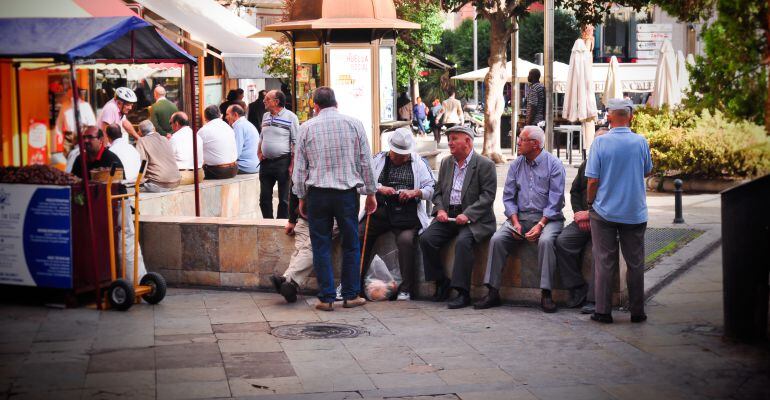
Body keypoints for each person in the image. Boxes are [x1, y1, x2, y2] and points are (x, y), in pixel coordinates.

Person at [292, 87, 376, 311]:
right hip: (346, 194)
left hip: (318, 195)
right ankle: (350, 295)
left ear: (315, 106)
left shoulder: (306, 128)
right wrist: (371, 193)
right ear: (336, 103)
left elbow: (300, 169)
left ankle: (326, 297)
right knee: (351, 244)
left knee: (321, 245)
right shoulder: (354, 124)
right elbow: (365, 161)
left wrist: (300, 196)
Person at [474, 126, 565, 312]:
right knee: (497, 239)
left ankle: (546, 293)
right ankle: (492, 291)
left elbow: (556, 201)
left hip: (548, 218)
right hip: (520, 217)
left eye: (522, 139)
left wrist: (540, 225)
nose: (518, 142)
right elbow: (508, 197)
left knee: (546, 241)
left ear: (535, 144)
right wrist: (515, 223)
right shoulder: (516, 164)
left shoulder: (554, 164)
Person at [586, 98, 653, 324]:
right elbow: (646, 171)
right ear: (631, 117)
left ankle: (603, 312)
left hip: (604, 211)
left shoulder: (600, 143)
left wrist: (589, 202)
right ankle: (637, 311)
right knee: (635, 263)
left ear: (610, 117)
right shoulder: (641, 142)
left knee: (604, 261)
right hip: (634, 211)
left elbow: (593, 180)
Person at [419, 126, 497, 309]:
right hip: (449, 216)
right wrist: (440, 210)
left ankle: (462, 292)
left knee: (463, 242)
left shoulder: (485, 164)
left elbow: (488, 196)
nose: (450, 143)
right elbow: (437, 192)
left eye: (454, 139)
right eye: (449, 139)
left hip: (476, 219)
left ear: (468, 142)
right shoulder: (447, 163)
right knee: (426, 238)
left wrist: (468, 214)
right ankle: (440, 281)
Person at [358, 128, 436, 301]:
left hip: (407, 214)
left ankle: (406, 288)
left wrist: (416, 193)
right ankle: (353, 284)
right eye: (395, 153)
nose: (397, 158)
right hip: (380, 210)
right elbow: (361, 184)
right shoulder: (378, 159)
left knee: (406, 240)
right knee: (360, 233)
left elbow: (432, 188)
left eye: (401, 155)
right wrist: (379, 188)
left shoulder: (419, 163)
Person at [555, 128, 609, 315]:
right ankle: (576, 287)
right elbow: (575, 191)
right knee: (562, 241)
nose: (598, 145)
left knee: (598, 252)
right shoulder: (586, 164)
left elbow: (611, 197)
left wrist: (589, 213)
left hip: (605, 220)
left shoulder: (612, 166)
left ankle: (594, 299)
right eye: (596, 141)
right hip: (584, 218)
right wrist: (579, 213)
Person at [269, 189, 340, 303]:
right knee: (300, 250)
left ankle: (287, 280)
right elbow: (294, 190)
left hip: (331, 217)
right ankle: (290, 286)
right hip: (306, 215)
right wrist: (292, 220)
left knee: (310, 247)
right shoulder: (299, 171)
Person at [259, 90, 300, 219]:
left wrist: (292, 164)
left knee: (284, 199)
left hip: (283, 162)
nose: (264, 101)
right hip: (265, 163)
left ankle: (281, 224)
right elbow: (262, 136)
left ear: (276, 101)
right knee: (264, 198)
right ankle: (267, 223)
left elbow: (295, 141)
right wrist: (259, 152)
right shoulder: (265, 116)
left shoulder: (291, 117)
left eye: (267, 99)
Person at [135, 120, 181, 192]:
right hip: (176, 182)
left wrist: (138, 181)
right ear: (154, 128)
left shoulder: (141, 141)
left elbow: (142, 163)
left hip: (159, 184)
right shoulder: (165, 139)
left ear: (140, 132)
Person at [199, 105, 238, 180]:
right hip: (234, 169)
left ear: (205, 118)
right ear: (220, 115)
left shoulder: (203, 130)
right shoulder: (229, 127)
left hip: (217, 171)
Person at [56, 88, 96, 156]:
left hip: (81, 134)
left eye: (71, 93)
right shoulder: (64, 106)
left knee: (81, 155)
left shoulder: (85, 105)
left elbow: (92, 122)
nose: (69, 95)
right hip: (69, 135)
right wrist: (59, 134)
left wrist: (90, 135)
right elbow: (59, 121)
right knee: (67, 154)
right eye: (68, 94)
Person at [168, 112, 204, 185]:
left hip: (183, 176)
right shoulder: (197, 136)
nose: (170, 126)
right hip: (199, 175)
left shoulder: (175, 138)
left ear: (176, 123)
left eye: (170, 123)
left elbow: (167, 159)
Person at [225, 104, 260, 174]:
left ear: (235, 115)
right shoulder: (247, 124)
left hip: (246, 166)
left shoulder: (239, 126)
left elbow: (236, 153)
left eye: (227, 114)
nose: (226, 117)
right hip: (255, 165)